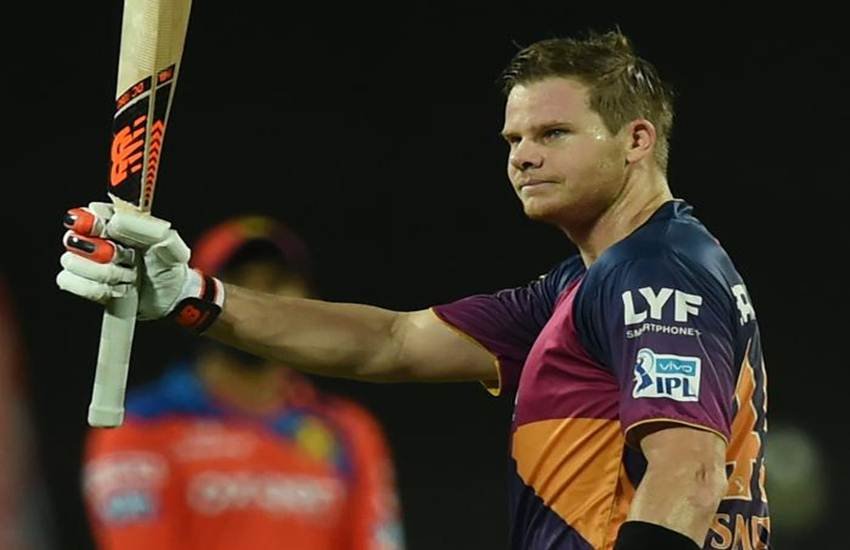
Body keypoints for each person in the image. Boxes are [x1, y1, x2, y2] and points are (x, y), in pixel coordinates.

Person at [58, 29, 769, 550]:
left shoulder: (654, 269)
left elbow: (689, 472)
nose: (523, 157)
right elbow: (391, 342)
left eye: (553, 133)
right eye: (513, 139)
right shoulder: (586, 285)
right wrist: (193, 293)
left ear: (636, 140)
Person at [78, 215, 405, 550]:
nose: (259, 297)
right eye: (238, 283)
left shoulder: (348, 429)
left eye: (275, 282)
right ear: (193, 297)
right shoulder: (141, 424)